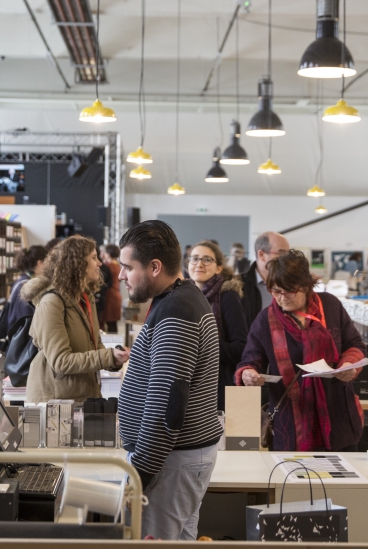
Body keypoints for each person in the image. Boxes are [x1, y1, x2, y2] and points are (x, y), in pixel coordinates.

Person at [116, 220, 222, 541]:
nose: (120, 276)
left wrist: (139, 476)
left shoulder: (177, 311)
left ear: (155, 267)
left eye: (127, 267)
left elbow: (167, 408)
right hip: (177, 458)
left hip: (170, 462)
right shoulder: (177, 298)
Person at [236, 249, 366, 451]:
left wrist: (349, 365)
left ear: (306, 286)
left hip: (337, 416)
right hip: (291, 424)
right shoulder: (265, 320)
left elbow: (354, 344)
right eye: (276, 291)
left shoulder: (330, 305)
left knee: (341, 479)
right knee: (292, 479)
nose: (281, 298)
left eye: (289, 291)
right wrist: (248, 373)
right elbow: (250, 359)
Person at [24, 236, 128, 402]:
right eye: (94, 258)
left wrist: (114, 359)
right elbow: (61, 361)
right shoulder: (52, 302)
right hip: (54, 402)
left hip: (82, 395)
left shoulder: (86, 298)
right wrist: (107, 356)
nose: (100, 263)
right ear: (77, 264)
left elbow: (93, 346)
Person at [187, 240, 248, 410]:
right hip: (188, 386)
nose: (199, 264)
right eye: (194, 259)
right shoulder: (183, 297)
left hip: (218, 388)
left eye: (207, 259)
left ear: (219, 267)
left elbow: (241, 347)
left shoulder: (227, 296)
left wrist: (201, 346)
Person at [0, 245, 47, 345]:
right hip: (21, 343)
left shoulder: (22, 280)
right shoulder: (27, 286)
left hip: (17, 339)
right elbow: (25, 319)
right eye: (47, 263)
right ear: (39, 263)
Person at [240, 231, 291, 325]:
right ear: (262, 255)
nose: (287, 259)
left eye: (288, 254)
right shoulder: (238, 286)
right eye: (281, 253)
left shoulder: (292, 285)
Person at [99, 244, 122, 333]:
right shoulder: (117, 265)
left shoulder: (109, 266)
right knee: (112, 323)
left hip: (110, 296)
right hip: (115, 295)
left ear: (108, 253)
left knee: (110, 323)